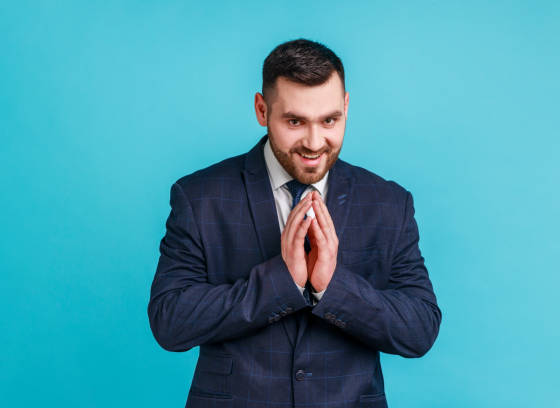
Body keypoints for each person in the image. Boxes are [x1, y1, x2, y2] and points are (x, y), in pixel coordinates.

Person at [148, 38, 441, 408]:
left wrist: (333, 287)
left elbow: (420, 330)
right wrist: (279, 283)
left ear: (347, 107)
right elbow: (170, 321)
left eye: (330, 120)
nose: (315, 142)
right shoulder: (199, 197)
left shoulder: (388, 203)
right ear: (261, 109)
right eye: (295, 121)